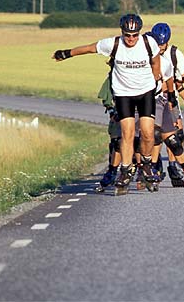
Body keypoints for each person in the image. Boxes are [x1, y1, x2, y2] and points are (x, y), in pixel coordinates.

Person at [52, 14, 162, 195]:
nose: (131, 39)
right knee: (127, 133)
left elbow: (156, 61)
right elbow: (89, 48)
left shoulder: (149, 43)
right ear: (122, 32)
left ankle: (147, 163)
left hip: (145, 92)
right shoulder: (113, 44)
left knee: (149, 133)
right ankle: (126, 169)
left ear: (139, 33)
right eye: (127, 35)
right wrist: (66, 53)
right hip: (123, 93)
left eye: (135, 35)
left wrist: (155, 79)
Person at [148, 23, 184, 186]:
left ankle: (173, 166)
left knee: (176, 135)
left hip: (169, 97)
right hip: (149, 97)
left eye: (163, 44)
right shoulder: (147, 51)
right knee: (154, 135)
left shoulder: (174, 53)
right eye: (158, 44)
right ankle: (154, 165)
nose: (160, 47)